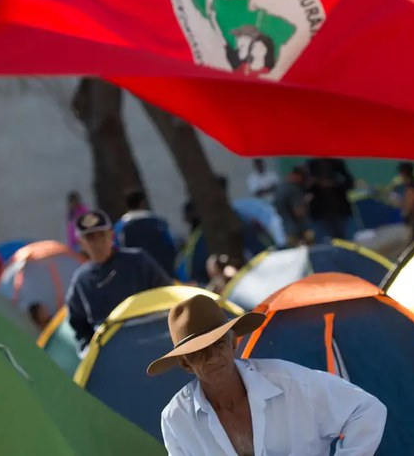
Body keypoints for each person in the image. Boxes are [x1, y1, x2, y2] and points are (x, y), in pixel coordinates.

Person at [149, 295, 387, 456]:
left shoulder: (290, 383)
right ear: (185, 363)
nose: (212, 357)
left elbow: (368, 410)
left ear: (233, 343)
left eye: (218, 344)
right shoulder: (176, 418)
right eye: (199, 352)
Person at [66, 210, 173, 349]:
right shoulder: (81, 281)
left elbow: (167, 294)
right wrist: (91, 349)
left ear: (111, 234)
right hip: (114, 352)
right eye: (90, 237)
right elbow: (78, 324)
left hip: (151, 340)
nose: (97, 243)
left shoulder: (138, 261)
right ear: (81, 243)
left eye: (101, 235)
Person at [114, 190, 177, 277]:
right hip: (162, 272)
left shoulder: (120, 228)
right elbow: (171, 246)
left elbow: (116, 251)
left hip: (136, 276)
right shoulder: (158, 223)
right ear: (142, 203)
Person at [307, 158, 355, 242]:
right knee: (325, 243)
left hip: (340, 210)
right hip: (320, 213)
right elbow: (305, 188)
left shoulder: (337, 164)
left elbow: (350, 183)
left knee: (347, 242)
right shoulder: (312, 165)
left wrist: (334, 183)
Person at [273, 166, 311, 246]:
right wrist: (306, 201)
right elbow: (299, 212)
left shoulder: (281, 188)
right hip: (299, 232)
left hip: (287, 231)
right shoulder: (293, 189)